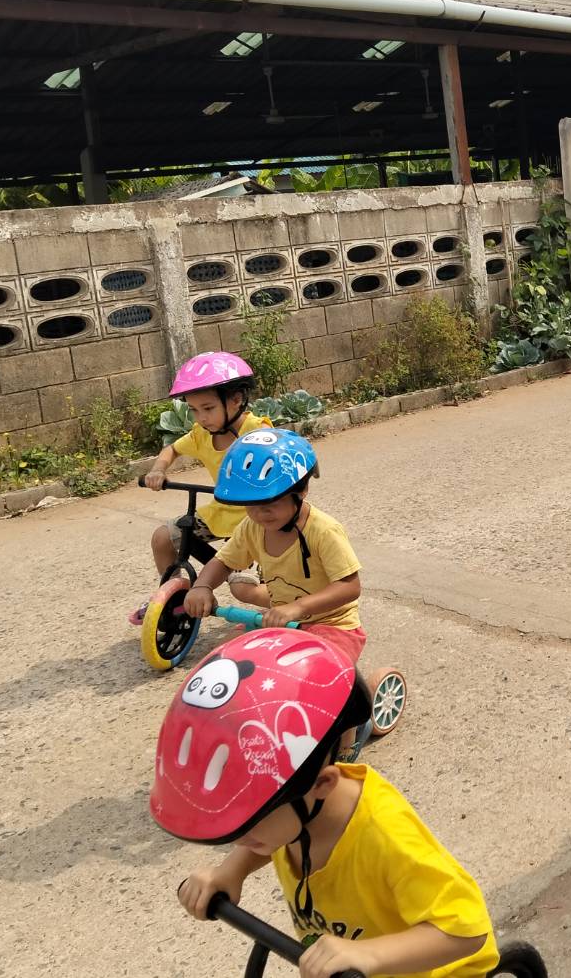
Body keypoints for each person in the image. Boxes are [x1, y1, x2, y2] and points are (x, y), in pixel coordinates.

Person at [155, 633, 498, 978]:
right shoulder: (291, 809)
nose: (237, 837)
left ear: (322, 784)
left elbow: (467, 929)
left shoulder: (384, 834)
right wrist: (231, 871)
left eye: (248, 820)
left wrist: (368, 955)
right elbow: (268, 838)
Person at [184, 429, 368, 669]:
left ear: (301, 490)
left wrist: (297, 608)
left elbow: (350, 587)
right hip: (282, 621)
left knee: (308, 671)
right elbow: (223, 562)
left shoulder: (324, 531)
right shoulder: (252, 527)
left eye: (270, 502)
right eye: (250, 505)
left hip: (333, 625)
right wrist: (202, 586)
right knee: (223, 659)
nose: (261, 513)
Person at [135, 352, 270, 624]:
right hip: (221, 512)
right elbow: (172, 449)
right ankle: (174, 595)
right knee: (163, 537)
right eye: (194, 410)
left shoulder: (257, 431)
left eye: (208, 408)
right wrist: (158, 469)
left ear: (236, 399)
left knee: (243, 588)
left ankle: (292, 603)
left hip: (255, 519)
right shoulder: (201, 435)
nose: (201, 418)